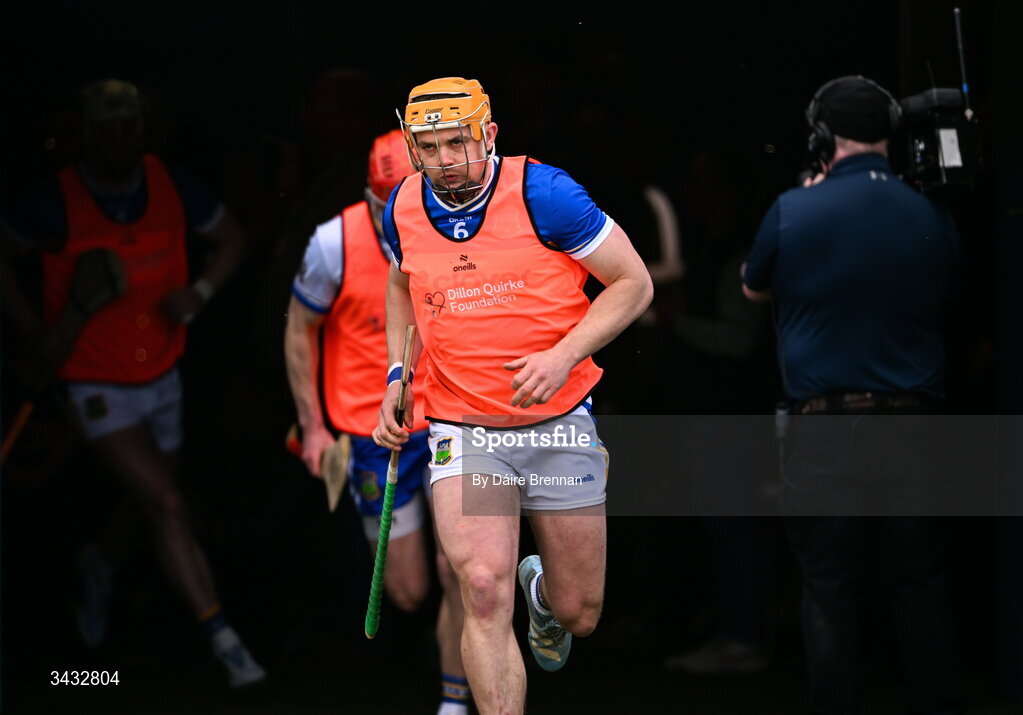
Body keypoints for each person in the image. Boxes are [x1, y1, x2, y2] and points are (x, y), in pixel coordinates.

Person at [372, 77, 653, 714]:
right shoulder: (405, 205)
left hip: (556, 420)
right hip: (464, 426)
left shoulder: (544, 193)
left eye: (457, 144)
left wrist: (563, 355)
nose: (444, 161)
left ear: (489, 136)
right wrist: (398, 374)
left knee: (580, 611)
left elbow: (633, 284)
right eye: (429, 147)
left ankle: (545, 599)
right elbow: (400, 287)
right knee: (479, 586)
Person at [2, 78, 264, 689]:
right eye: (107, 127)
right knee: (169, 506)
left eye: (129, 126)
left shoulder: (170, 184)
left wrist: (197, 294)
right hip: (94, 379)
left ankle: (102, 563)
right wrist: (36, 331)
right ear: (87, 133)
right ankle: (229, 648)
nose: (119, 137)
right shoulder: (54, 200)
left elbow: (232, 238)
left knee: (155, 505)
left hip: (162, 371)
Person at [742, 76, 963, 714]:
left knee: (829, 588)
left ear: (823, 137)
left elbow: (754, 288)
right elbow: (949, 284)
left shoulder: (792, 209)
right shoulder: (930, 211)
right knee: (919, 583)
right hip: (914, 425)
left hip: (824, 427)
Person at [284, 129, 469, 715]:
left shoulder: (467, 228)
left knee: (462, 570)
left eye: (410, 194)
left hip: (449, 421)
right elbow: (297, 330)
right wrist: (312, 427)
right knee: (410, 590)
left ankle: (454, 700)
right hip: (372, 435)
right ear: (368, 194)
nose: (398, 211)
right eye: (385, 200)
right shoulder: (332, 242)